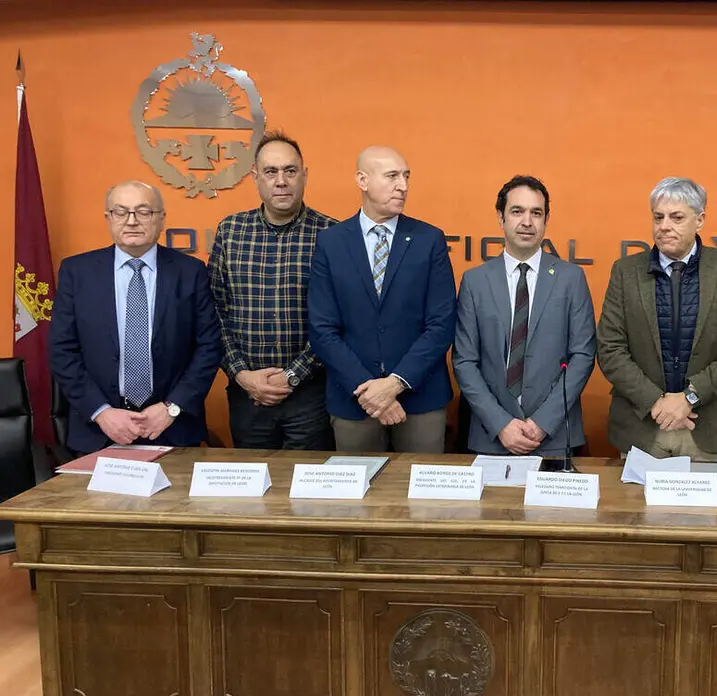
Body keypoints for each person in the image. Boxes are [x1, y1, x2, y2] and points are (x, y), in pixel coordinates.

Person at [50, 180, 220, 454]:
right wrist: (101, 412)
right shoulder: (77, 272)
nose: (131, 221)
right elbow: (62, 350)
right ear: (108, 218)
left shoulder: (190, 272)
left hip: (172, 428)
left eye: (143, 211)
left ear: (161, 218)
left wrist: (172, 408)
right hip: (100, 431)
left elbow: (209, 347)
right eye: (120, 212)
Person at [596, 177, 717, 461]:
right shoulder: (625, 272)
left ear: (700, 220)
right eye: (658, 217)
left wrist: (690, 397)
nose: (664, 226)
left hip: (704, 429)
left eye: (676, 217)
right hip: (641, 428)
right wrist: (655, 402)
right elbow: (610, 347)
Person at [308, 146, 456, 453]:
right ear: (362, 180)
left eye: (406, 176)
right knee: (358, 485)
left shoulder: (429, 240)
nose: (403, 186)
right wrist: (368, 391)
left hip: (420, 399)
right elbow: (322, 329)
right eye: (392, 176)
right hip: (354, 400)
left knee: (422, 485)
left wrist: (394, 384)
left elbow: (441, 324)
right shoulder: (331, 242)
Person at [208, 131, 339, 450]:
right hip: (247, 395)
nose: (281, 181)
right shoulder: (231, 231)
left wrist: (293, 375)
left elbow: (340, 317)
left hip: (311, 395)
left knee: (308, 481)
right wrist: (242, 375)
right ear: (256, 178)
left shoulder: (333, 234)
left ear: (304, 175)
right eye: (271, 172)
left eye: (290, 171)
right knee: (254, 481)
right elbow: (214, 311)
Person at [453, 175, 596, 456]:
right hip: (491, 436)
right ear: (501, 217)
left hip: (553, 436)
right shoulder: (475, 281)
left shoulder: (571, 278)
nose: (527, 222)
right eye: (517, 211)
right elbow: (464, 361)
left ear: (546, 220)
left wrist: (542, 423)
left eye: (536, 213)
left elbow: (583, 355)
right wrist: (501, 424)